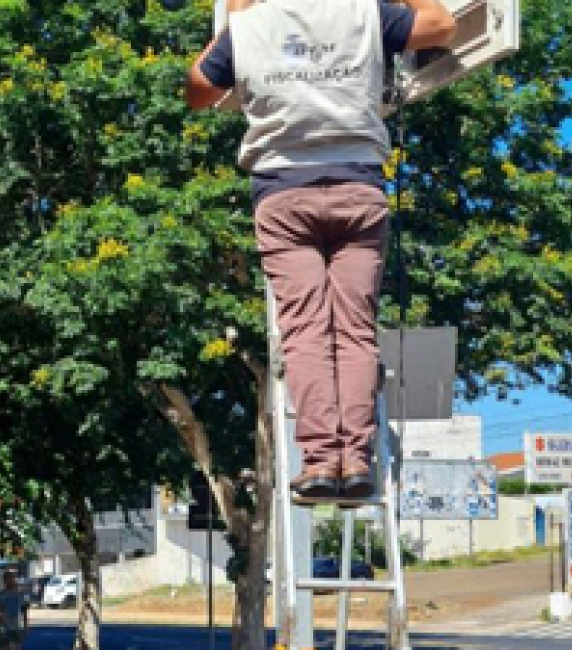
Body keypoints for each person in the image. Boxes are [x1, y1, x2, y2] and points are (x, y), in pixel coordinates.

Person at [186, 0, 457, 499]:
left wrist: (231, 23)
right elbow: (441, 25)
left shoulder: (251, 26)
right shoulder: (366, 14)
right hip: (358, 187)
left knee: (306, 333)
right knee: (354, 330)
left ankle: (318, 464)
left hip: (284, 193)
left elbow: (198, 90)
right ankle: (356, 462)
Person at [0, 570, 28, 650]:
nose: (11, 581)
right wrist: (1, 614)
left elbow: (24, 611)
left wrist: (26, 626)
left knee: (15, 647)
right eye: (8, 579)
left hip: (16, 628)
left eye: (12, 579)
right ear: (4, 581)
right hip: (2, 629)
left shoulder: (21, 595)